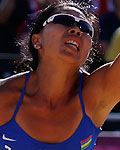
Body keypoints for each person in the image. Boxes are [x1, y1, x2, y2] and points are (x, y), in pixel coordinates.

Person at [0, 1, 120, 150]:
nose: (77, 30)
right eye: (64, 20)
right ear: (37, 40)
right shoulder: (3, 96)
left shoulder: (96, 93)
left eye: (86, 28)